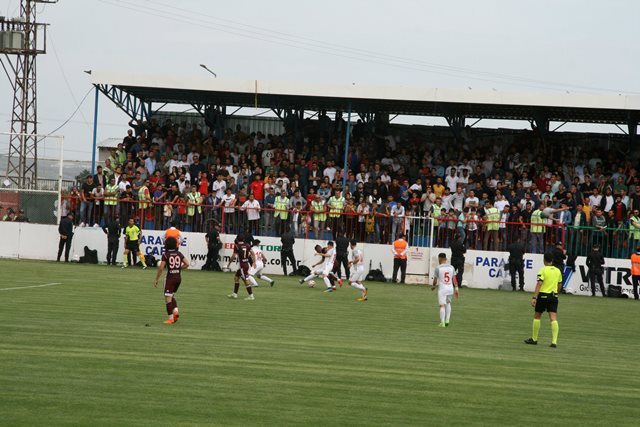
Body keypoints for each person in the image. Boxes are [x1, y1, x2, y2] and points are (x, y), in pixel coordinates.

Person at [524, 252, 562, 348]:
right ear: (552, 260)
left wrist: (534, 297)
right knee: (553, 318)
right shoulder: (558, 271)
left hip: (543, 296)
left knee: (537, 316)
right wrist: (556, 293)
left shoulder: (543, 270)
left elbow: (539, 284)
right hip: (554, 296)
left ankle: (534, 339)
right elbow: (560, 284)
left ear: (544, 260)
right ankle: (554, 342)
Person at [153, 237, 189, 324]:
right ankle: (175, 311)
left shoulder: (166, 254)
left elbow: (161, 267)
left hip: (170, 278)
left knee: (168, 298)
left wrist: (156, 279)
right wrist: (178, 268)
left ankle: (170, 318)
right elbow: (187, 264)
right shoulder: (179, 253)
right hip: (178, 278)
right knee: (172, 295)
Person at [431, 253, 459, 327]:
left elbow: (435, 280)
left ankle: (442, 322)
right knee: (448, 303)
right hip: (450, 288)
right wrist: (456, 288)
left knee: (442, 305)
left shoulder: (438, 268)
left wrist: (433, 286)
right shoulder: (451, 267)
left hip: (442, 289)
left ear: (439, 258)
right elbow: (454, 279)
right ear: (446, 259)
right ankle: (447, 320)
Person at [226, 235, 255, 300]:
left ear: (237, 239)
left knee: (245, 280)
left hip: (242, 266)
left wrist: (229, 264)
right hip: (245, 264)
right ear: (243, 239)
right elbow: (252, 253)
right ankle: (235, 294)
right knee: (236, 278)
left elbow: (233, 256)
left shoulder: (237, 246)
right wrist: (254, 261)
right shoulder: (247, 245)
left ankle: (251, 296)